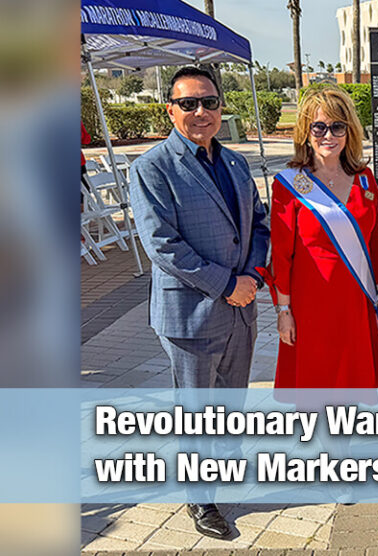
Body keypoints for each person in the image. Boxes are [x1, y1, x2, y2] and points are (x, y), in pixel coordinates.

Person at [129, 66, 270, 538]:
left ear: (221, 107)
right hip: (192, 314)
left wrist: (251, 274)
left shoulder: (234, 162)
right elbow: (161, 244)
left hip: (241, 308)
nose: (200, 112)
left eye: (209, 102)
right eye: (188, 103)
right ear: (170, 108)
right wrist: (226, 283)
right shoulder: (152, 167)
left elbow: (259, 223)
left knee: (230, 401)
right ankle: (200, 500)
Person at [263, 87, 378, 391]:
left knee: (350, 389)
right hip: (312, 306)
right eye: (319, 126)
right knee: (317, 390)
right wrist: (284, 311)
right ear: (305, 131)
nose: (328, 135)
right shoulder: (290, 184)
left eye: (338, 126)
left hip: (355, 301)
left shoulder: (365, 177)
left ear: (349, 131)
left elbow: (376, 238)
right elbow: (282, 255)